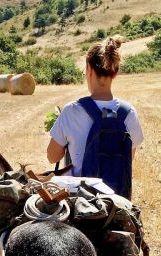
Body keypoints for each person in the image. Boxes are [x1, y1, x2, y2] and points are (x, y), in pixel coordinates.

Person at [47, 36, 144, 199]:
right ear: (116, 72)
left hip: (81, 202)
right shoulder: (129, 113)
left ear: (89, 70)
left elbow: (52, 157)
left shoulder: (71, 111)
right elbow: (129, 157)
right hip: (117, 202)